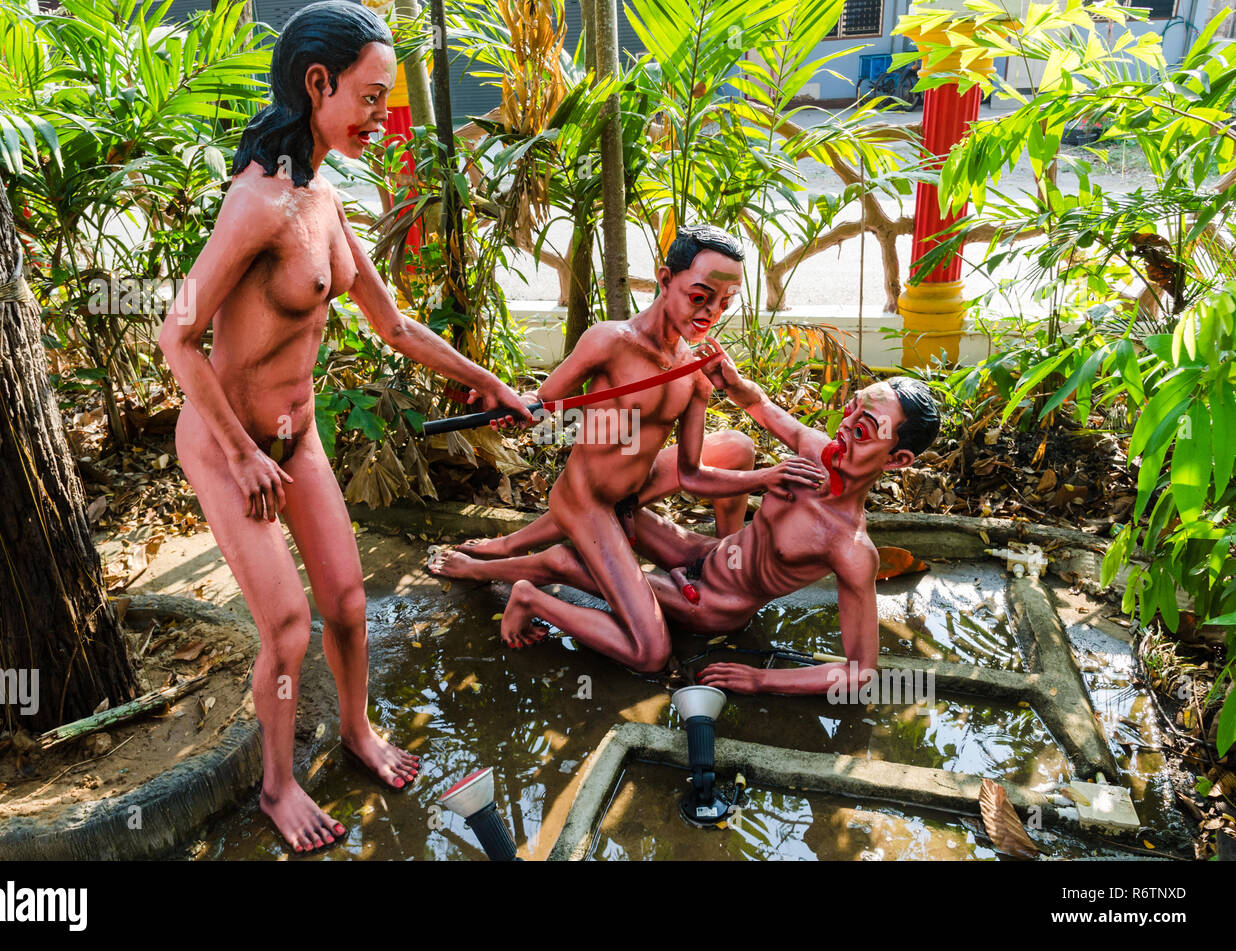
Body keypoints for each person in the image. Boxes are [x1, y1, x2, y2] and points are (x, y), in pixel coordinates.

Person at [158, 1, 530, 854]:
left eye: (385, 95)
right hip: (228, 447)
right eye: (369, 95)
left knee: (351, 605)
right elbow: (176, 333)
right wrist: (244, 451)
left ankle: (358, 730)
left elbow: (393, 324)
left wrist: (491, 383)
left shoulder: (322, 200)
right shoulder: (256, 204)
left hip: (299, 438)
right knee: (289, 627)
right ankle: (278, 785)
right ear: (317, 84)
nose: (380, 114)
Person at [429, 224, 822, 671]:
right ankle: (518, 582)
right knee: (652, 654)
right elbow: (543, 403)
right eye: (699, 297)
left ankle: (717, 558)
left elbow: (692, 475)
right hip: (589, 500)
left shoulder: (694, 373)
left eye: (723, 303)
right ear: (665, 279)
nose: (710, 313)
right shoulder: (611, 341)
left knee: (736, 446)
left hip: (635, 488)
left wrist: (763, 478)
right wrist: (506, 405)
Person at [432, 358, 940, 696]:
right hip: (704, 552)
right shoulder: (814, 454)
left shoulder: (851, 549)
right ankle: (504, 545)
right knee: (610, 503)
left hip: (714, 602)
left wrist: (761, 680)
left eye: (865, 430)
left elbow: (860, 673)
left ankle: (512, 586)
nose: (844, 428)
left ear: (896, 461)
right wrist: (729, 382)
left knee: (574, 558)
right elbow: (761, 406)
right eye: (851, 410)